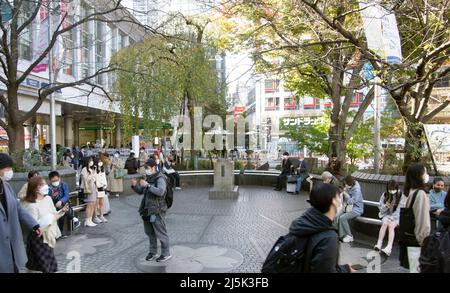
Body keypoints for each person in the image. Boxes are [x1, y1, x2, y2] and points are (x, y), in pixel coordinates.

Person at [287, 183, 354, 273]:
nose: (340, 201)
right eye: (339, 197)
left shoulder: (303, 223)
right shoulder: (328, 237)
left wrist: (345, 268)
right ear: (333, 201)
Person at [0, 153, 42, 273]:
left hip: (12, 244)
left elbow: (18, 208)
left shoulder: (6, 187)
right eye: (7, 168)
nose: (10, 171)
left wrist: (34, 224)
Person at [21, 176, 69, 273]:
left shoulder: (47, 199)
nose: (46, 186)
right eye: (42, 185)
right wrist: (42, 226)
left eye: (45, 184)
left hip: (49, 235)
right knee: (47, 265)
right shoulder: (31, 205)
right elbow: (33, 225)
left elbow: (52, 215)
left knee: (35, 265)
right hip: (39, 238)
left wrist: (62, 211)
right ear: (35, 189)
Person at [131, 159, 172, 262]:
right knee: (150, 232)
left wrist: (148, 185)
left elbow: (161, 192)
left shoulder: (160, 178)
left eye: (147, 168)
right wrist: (134, 185)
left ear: (153, 167)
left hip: (157, 210)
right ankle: (153, 252)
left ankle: (166, 253)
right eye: (145, 168)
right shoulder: (149, 177)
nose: (146, 170)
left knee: (161, 233)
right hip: (147, 210)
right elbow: (141, 192)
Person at [399, 163, 431, 273]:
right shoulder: (421, 194)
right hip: (418, 242)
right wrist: (424, 242)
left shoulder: (412, 192)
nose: (427, 175)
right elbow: (422, 221)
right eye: (425, 172)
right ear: (419, 175)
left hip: (410, 240)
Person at [374, 180, 406, 257]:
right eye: (390, 189)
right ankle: (379, 244)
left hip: (398, 217)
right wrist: (386, 206)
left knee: (391, 226)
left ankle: (389, 248)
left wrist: (391, 218)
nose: (391, 191)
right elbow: (381, 209)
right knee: (385, 223)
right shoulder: (385, 194)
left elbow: (399, 210)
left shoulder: (401, 195)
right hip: (387, 215)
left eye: (393, 189)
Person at [337, 175, 364, 243]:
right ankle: (342, 235)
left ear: (350, 183)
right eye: (345, 184)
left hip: (357, 209)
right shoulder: (349, 187)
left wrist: (347, 195)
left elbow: (351, 202)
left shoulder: (357, 190)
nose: (345, 185)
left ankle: (350, 236)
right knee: (337, 216)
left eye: (346, 184)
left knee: (342, 218)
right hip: (348, 208)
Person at [80, 157, 98, 227]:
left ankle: (90, 219)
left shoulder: (92, 169)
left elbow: (94, 178)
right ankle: (87, 220)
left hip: (93, 187)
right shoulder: (84, 169)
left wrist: (94, 172)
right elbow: (85, 180)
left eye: (92, 161)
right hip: (88, 188)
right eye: (90, 161)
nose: (91, 162)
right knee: (89, 204)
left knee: (93, 203)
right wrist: (92, 174)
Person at [95, 159, 108, 223]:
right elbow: (95, 179)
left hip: (102, 188)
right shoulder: (95, 170)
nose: (100, 163)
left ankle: (101, 215)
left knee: (101, 203)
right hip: (97, 188)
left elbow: (104, 178)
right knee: (96, 203)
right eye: (99, 162)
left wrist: (104, 185)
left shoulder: (103, 170)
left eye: (101, 162)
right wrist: (98, 185)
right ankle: (95, 216)